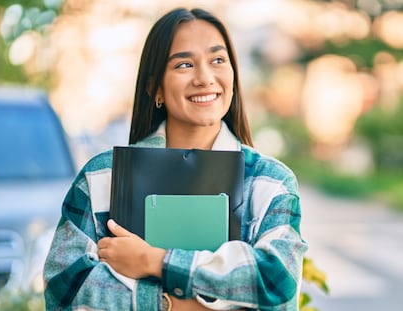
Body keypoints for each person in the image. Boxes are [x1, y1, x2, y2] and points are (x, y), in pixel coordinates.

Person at [43, 7, 307, 311]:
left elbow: (277, 285)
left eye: (218, 60)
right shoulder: (103, 177)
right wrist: (203, 298)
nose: (205, 78)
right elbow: (64, 290)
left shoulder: (270, 182)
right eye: (184, 64)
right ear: (155, 86)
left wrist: (152, 260)